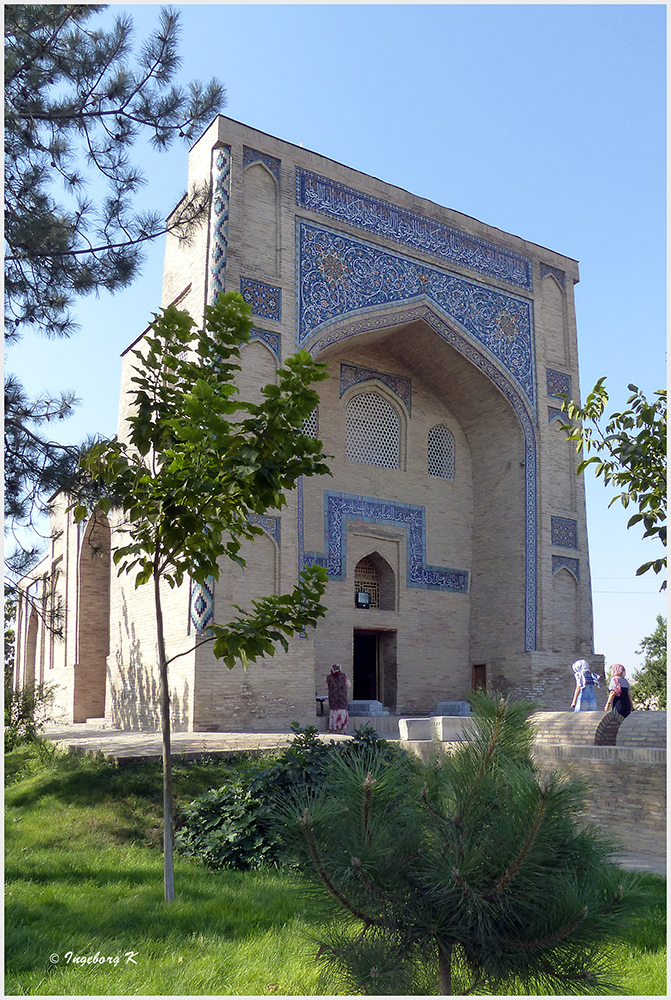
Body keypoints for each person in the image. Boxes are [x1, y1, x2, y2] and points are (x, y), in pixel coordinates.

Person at [326, 663, 351, 733]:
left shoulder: (329, 677)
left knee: (334, 713)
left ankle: (334, 729)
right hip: (342, 700)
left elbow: (325, 687)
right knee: (342, 714)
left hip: (333, 700)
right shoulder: (344, 676)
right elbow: (349, 685)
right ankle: (342, 730)